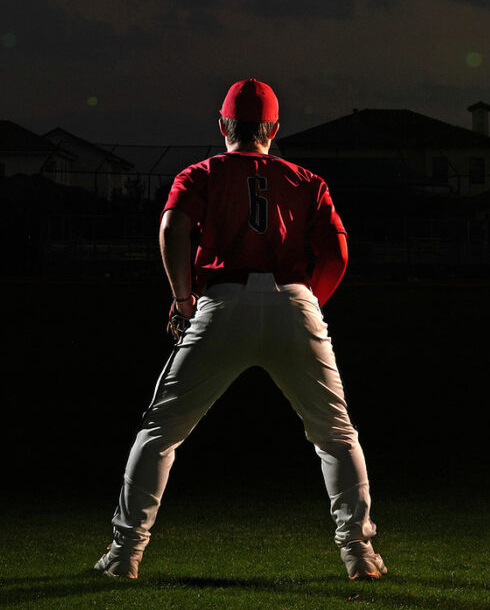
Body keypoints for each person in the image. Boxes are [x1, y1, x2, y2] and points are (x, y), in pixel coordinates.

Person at [94, 78, 386, 582]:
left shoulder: (202, 172)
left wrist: (183, 299)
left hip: (221, 301)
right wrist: (306, 304)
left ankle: (125, 556)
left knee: (161, 432)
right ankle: (359, 554)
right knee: (336, 436)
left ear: (223, 125)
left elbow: (171, 228)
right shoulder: (306, 179)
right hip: (293, 299)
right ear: (273, 128)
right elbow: (337, 253)